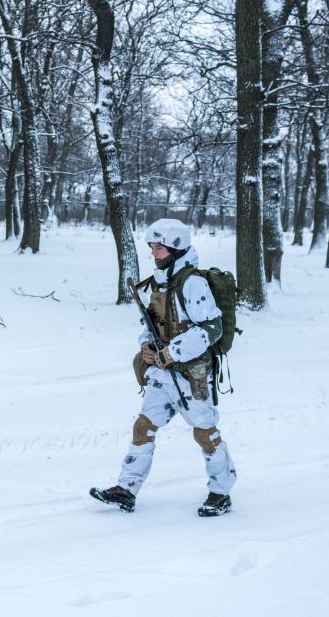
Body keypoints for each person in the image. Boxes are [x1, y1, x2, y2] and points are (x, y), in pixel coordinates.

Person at [90, 218, 236, 516]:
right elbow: (154, 322)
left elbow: (211, 328)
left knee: (204, 433)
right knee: (143, 427)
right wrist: (146, 345)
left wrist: (173, 352)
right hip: (161, 373)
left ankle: (221, 492)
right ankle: (126, 489)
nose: (154, 253)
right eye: (152, 247)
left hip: (190, 375)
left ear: (177, 249)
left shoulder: (192, 283)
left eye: (159, 247)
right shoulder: (160, 281)